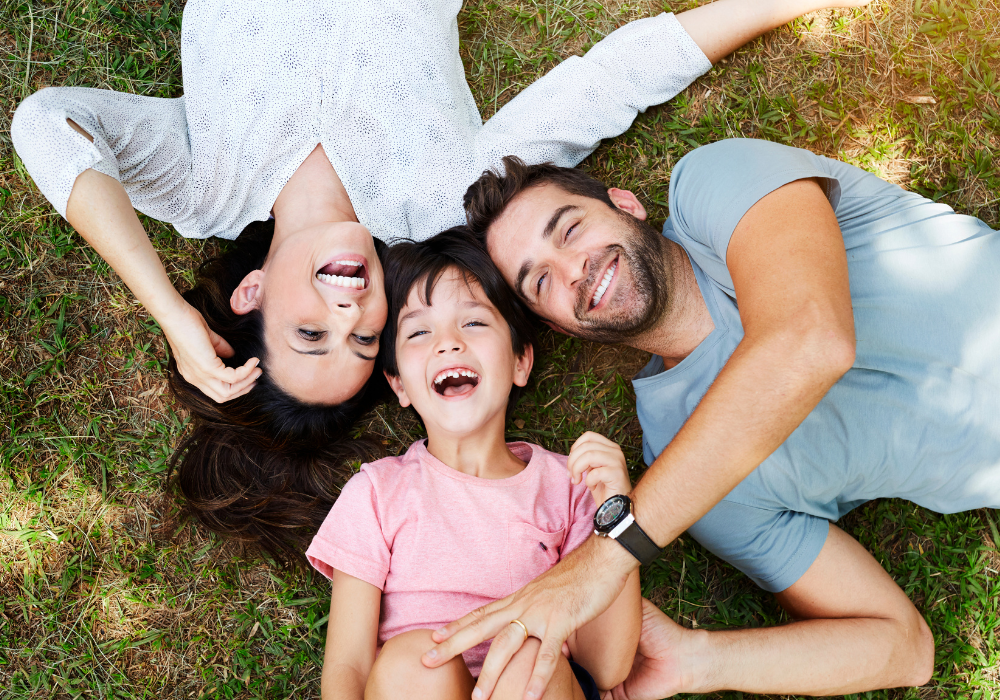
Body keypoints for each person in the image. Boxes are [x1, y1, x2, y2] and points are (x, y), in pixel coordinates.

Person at [11, 0, 872, 559]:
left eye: (312, 328)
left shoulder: (200, 185)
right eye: (363, 338)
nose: (352, 306)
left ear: (251, 296)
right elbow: (605, 86)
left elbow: (48, 123)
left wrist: (164, 306)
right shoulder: (439, 200)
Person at [419, 136, 1000, 698]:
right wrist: (696, 662)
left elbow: (812, 338)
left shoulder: (715, 185)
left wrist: (600, 564)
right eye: (540, 281)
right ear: (555, 327)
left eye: (570, 229)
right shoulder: (691, 483)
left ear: (625, 204)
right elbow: (902, 648)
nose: (573, 269)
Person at [305, 228, 641, 699]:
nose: (448, 343)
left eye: (474, 323)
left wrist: (618, 514)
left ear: (521, 361)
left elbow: (605, 665)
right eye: (420, 332)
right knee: (412, 661)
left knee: (525, 659)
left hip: (536, 687)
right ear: (399, 384)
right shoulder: (377, 493)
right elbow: (349, 666)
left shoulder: (573, 486)